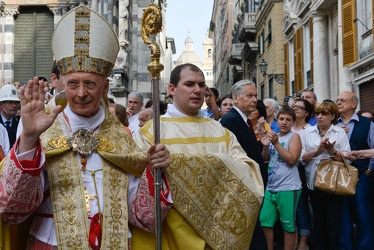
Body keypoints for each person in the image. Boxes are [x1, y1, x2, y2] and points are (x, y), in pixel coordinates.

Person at [0, 6, 171, 249]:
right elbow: (13, 208)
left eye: (90, 84)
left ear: (105, 87)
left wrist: (155, 171)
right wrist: (28, 139)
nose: (81, 94)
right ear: (60, 84)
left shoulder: (124, 140)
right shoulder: (39, 129)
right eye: (73, 84)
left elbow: (146, 218)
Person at [132, 63, 264, 249]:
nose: (197, 90)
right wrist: (152, 167)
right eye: (189, 84)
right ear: (172, 89)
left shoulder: (220, 131)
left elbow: (249, 172)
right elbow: (133, 182)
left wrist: (182, 163)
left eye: (201, 85)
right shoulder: (152, 132)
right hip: (171, 235)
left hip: (215, 235)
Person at [220, 79, 268, 249]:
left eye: (255, 95)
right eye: (249, 95)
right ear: (236, 98)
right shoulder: (232, 120)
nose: (254, 99)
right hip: (243, 190)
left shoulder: (243, 120)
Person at [300, 101, 351, 250]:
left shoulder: (339, 132)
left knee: (333, 222)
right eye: (317, 113)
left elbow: (346, 159)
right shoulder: (307, 133)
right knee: (319, 221)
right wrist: (317, 150)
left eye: (324, 113)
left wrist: (331, 150)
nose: (320, 116)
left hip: (333, 183)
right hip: (313, 182)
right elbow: (302, 159)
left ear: (333, 116)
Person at [260, 106, 302, 250]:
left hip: (288, 187)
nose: (284, 122)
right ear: (277, 121)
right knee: (265, 221)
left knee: (288, 224)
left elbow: (292, 159)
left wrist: (276, 144)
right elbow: (264, 159)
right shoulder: (273, 136)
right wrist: (265, 147)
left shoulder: (294, 137)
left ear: (293, 122)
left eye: (288, 120)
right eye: (282, 119)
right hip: (271, 187)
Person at [336, 91, 374, 250]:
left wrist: (369, 171)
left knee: (363, 213)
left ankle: (365, 247)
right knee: (343, 214)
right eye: (337, 100)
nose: (338, 102)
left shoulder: (367, 123)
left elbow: (372, 147)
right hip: (339, 175)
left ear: (353, 104)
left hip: (362, 174)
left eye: (342, 100)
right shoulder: (333, 124)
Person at [290, 99, 314, 250]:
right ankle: (294, 240)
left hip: (303, 171)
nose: (296, 109)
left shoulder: (310, 130)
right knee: (290, 209)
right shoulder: (286, 127)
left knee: (301, 207)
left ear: (306, 112)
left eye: (300, 107)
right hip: (287, 172)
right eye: (294, 106)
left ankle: (303, 242)